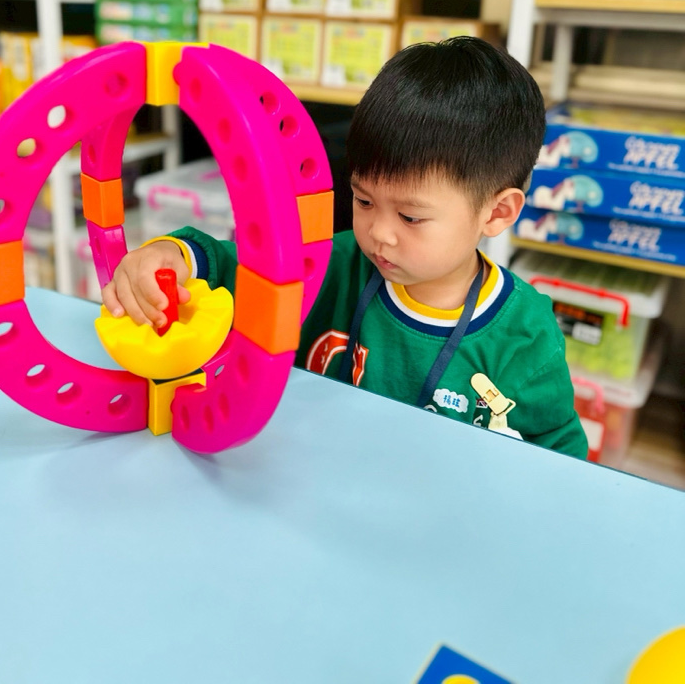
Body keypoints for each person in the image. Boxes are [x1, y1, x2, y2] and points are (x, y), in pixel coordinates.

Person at [103, 37, 588, 458]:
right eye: (363, 200)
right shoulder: (330, 264)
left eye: (411, 217)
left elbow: (561, 460)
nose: (379, 233)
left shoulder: (526, 338)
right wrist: (172, 256)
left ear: (497, 212)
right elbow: (234, 268)